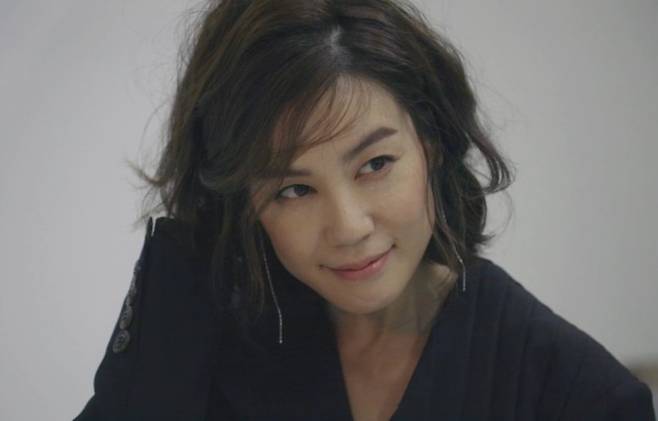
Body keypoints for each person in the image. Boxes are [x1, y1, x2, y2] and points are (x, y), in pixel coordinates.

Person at [73, 0, 656, 420]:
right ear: (245, 201)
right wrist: (174, 304)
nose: (350, 227)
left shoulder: (577, 394)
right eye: (293, 190)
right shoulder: (201, 336)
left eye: (375, 164)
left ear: (431, 144)